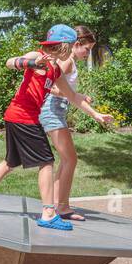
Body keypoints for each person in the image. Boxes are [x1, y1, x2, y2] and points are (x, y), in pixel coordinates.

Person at [0, 25, 112, 230]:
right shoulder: (38, 55)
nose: (71, 50)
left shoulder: (55, 71)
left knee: (10, 161)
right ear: (63, 45)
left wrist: (96, 114)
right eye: (70, 46)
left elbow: (72, 96)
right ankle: (48, 214)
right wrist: (30, 62)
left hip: (17, 116)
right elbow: (9, 62)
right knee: (46, 161)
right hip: (22, 116)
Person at [38, 25, 98, 222]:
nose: (87, 54)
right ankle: (60, 207)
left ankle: (56, 204)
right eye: (87, 49)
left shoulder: (68, 61)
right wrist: (74, 95)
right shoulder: (67, 61)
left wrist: (77, 97)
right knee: (70, 159)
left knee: (67, 159)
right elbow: (51, 85)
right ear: (77, 44)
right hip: (52, 110)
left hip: (55, 110)